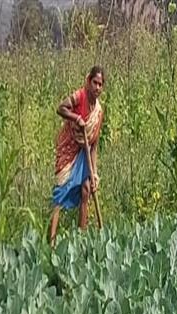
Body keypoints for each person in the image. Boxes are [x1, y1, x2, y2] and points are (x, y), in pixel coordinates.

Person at [48, 66, 105, 247]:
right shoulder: (79, 96)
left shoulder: (98, 112)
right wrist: (75, 118)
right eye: (95, 83)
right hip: (69, 148)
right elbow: (61, 108)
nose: (97, 87)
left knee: (87, 189)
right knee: (60, 192)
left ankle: (81, 236)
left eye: (100, 85)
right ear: (89, 82)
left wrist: (94, 173)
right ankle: (52, 240)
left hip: (85, 152)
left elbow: (94, 145)